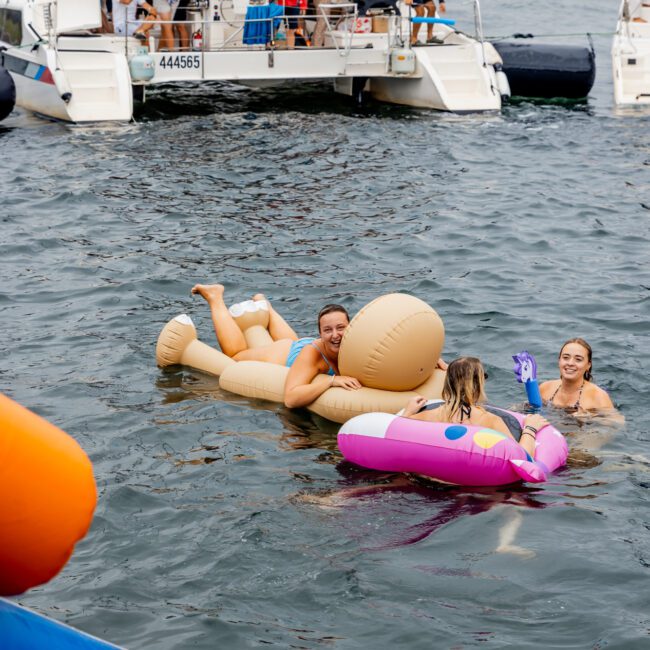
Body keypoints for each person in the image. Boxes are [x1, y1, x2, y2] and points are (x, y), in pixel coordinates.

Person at [190, 284, 362, 409]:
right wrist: (331, 381)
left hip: (297, 346)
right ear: (320, 334)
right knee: (234, 355)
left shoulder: (357, 344)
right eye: (327, 330)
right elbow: (291, 399)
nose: (335, 335)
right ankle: (215, 297)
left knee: (293, 341)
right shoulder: (314, 354)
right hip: (283, 355)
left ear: (350, 327)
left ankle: (264, 304)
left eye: (340, 328)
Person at [403, 356, 547, 459]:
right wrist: (530, 428)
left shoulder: (428, 416)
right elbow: (522, 457)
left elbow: (394, 433)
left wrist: (408, 411)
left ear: (447, 383)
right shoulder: (490, 420)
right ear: (478, 384)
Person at [539, 338, 615, 411]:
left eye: (578, 359)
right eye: (566, 357)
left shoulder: (599, 397)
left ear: (588, 365)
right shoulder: (544, 388)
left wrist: (589, 417)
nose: (570, 363)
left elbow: (617, 423)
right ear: (559, 360)